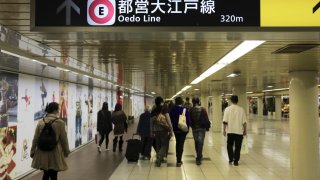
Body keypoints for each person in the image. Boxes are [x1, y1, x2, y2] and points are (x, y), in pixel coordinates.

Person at [30, 102, 70, 180]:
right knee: (54, 174)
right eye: (58, 109)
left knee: (46, 173)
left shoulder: (41, 122)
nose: (59, 111)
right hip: (54, 152)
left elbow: (35, 139)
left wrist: (32, 151)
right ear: (55, 110)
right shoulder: (60, 123)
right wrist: (66, 151)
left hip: (42, 152)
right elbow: (64, 140)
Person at [223, 95, 247, 166]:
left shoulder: (227, 109)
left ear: (231, 100)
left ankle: (230, 159)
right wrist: (245, 130)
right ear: (237, 101)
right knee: (238, 146)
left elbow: (225, 121)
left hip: (230, 131)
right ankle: (236, 160)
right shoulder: (241, 109)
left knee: (229, 145)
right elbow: (244, 122)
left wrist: (224, 130)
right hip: (239, 132)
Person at [169, 96, 190, 167]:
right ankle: (179, 160)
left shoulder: (172, 110)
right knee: (181, 144)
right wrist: (187, 130)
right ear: (182, 102)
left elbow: (170, 119)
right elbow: (188, 121)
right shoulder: (185, 110)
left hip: (175, 129)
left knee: (177, 143)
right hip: (183, 130)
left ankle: (177, 157)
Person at [189, 97, 209, 165]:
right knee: (200, 142)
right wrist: (207, 127)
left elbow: (189, 120)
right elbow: (206, 118)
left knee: (196, 142)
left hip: (194, 128)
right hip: (202, 128)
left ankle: (199, 155)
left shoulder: (191, 110)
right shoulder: (203, 109)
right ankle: (198, 157)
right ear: (199, 101)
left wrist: (191, 126)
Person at [151, 101, 171, 167]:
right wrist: (171, 129)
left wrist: (152, 131)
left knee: (158, 145)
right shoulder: (165, 112)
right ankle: (159, 156)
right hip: (163, 130)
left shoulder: (153, 112)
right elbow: (168, 121)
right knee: (164, 145)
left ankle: (159, 159)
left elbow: (151, 122)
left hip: (156, 131)